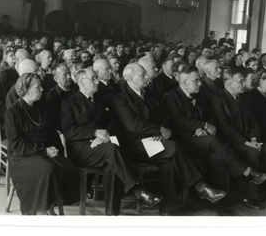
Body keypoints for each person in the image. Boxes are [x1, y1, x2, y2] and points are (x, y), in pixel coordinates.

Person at [113, 63, 226, 215]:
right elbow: (132, 124)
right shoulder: (120, 99)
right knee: (174, 147)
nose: (147, 77)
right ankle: (200, 186)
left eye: (145, 74)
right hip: (136, 145)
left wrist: (161, 131)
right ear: (129, 78)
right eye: (142, 75)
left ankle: (168, 209)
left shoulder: (149, 94)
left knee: (170, 162)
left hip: (156, 142)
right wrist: (158, 129)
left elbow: (163, 117)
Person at [162, 65, 266, 209]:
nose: (200, 83)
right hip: (184, 141)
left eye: (199, 80)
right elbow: (179, 121)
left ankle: (220, 202)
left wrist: (206, 128)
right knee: (214, 142)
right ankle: (247, 171)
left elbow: (212, 118)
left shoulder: (199, 96)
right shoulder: (170, 97)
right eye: (196, 81)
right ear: (184, 82)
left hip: (204, 139)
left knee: (217, 158)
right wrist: (203, 125)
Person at [61, 68, 162, 216]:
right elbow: (69, 131)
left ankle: (111, 213)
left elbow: (115, 122)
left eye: (97, 78)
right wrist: (94, 133)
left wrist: (105, 134)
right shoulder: (69, 102)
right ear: (82, 82)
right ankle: (137, 190)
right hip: (81, 148)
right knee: (113, 150)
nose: (97, 82)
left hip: (103, 144)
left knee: (113, 165)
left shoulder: (100, 101)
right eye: (93, 79)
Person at [4, 73, 80, 215]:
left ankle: (48, 205)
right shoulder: (13, 112)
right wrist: (44, 151)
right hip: (22, 156)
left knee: (69, 166)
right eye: (38, 87)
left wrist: (54, 148)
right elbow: (17, 144)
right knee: (46, 168)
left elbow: (51, 132)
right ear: (25, 89)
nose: (42, 90)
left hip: (43, 151)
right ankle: (39, 209)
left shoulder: (42, 107)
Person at [210, 69, 266, 207]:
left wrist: (254, 140)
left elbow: (254, 122)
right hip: (232, 141)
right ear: (228, 83)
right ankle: (248, 196)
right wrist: (246, 142)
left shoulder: (244, 97)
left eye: (243, 80)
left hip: (250, 140)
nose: (244, 84)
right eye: (240, 81)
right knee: (252, 153)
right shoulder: (218, 98)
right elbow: (225, 127)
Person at [45, 64, 77, 132]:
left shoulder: (76, 88)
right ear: (56, 79)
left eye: (69, 73)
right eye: (65, 75)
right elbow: (54, 121)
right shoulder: (52, 97)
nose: (69, 77)